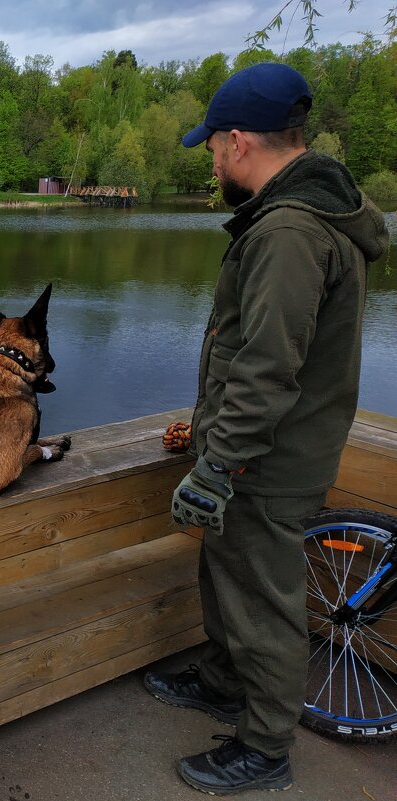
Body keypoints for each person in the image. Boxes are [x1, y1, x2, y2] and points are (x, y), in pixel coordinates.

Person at [144, 62, 388, 795]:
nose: (211, 158)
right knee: (230, 576)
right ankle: (224, 679)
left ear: (240, 141)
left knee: (264, 599)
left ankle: (265, 746)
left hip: (267, 460)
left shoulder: (288, 230)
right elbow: (255, 353)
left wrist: (222, 464)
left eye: (212, 145)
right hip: (258, 448)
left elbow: (268, 366)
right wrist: (209, 434)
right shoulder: (303, 215)